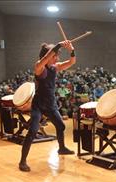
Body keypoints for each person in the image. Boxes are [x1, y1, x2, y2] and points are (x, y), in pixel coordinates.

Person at [19, 40, 76, 172]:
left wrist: (71, 49)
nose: (57, 58)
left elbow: (71, 62)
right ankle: (22, 161)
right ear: (49, 56)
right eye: (55, 56)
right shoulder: (39, 67)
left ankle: (61, 148)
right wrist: (58, 46)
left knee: (61, 126)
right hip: (38, 105)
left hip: (50, 104)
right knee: (32, 131)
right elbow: (44, 59)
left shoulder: (54, 67)